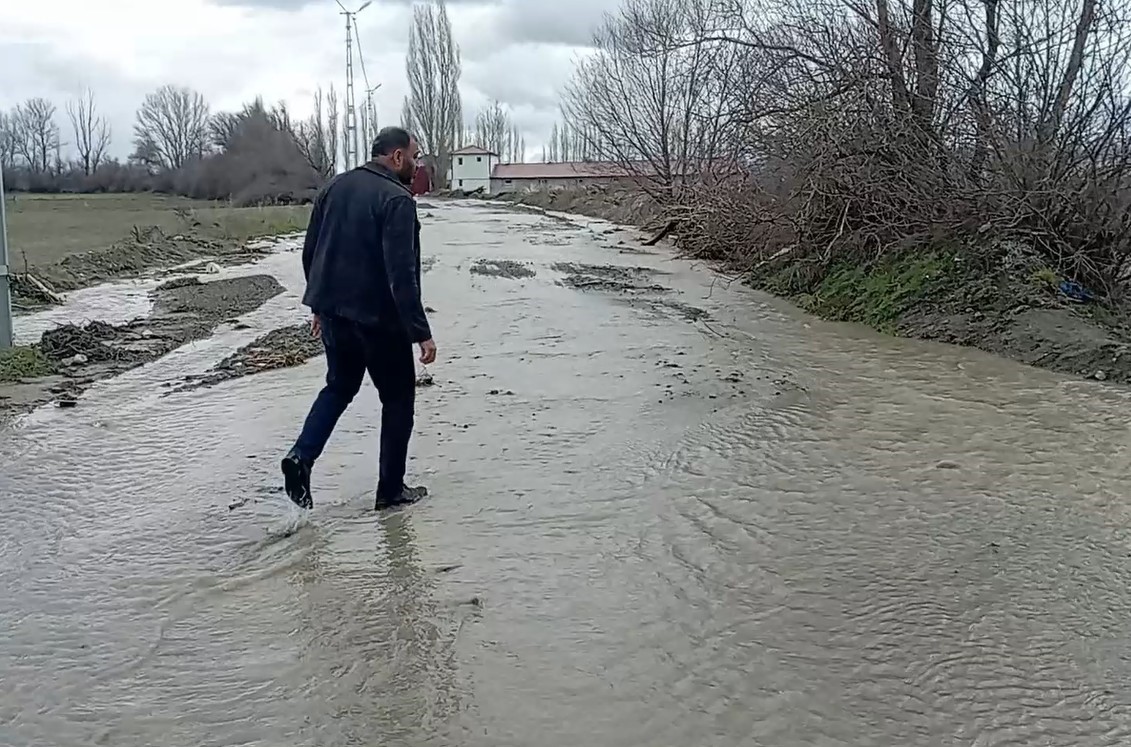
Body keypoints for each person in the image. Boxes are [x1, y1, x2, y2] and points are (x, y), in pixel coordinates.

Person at [282, 126, 437, 511]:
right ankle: (391, 492)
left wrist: (318, 306)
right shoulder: (397, 200)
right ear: (397, 156)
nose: (415, 165)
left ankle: (301, 457)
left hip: (335, 313)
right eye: (414, 157)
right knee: (398, 399)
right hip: (379, 320)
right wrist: (421, 333)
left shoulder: (333, 187)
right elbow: (402, 275)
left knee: (338, 386)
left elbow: (311, 252)